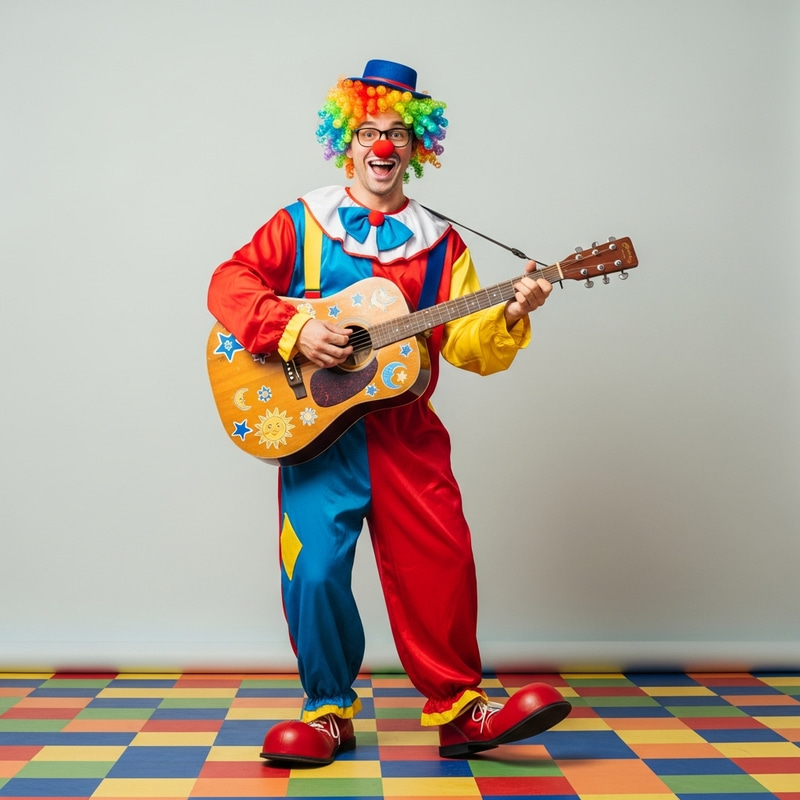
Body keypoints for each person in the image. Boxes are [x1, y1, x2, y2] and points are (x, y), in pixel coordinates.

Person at [207, 59, 571, 766]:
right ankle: (327, 713)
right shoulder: (301, 222)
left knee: (443, 560)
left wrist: (513, 311)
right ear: (346, 139)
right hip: (318, 439)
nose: (382, 147)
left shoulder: (444, 243)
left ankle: (464, 710)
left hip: (406, 433)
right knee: (312, 572)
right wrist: (293, 331)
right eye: (370, 131)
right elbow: (229, 282)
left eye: (399, 134)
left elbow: (467, 348)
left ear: (418, 148)